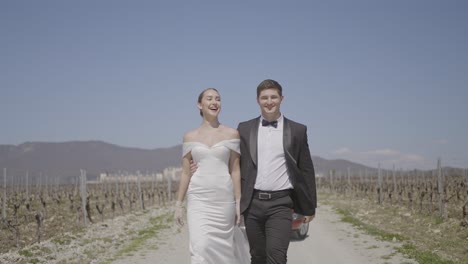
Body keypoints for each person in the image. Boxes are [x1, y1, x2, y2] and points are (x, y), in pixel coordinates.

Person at [237, 79, 317, 264]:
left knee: (277, 257)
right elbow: (234, 163)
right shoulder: (244, 128)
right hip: (252, 204)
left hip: (281, 204)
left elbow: (306, 169)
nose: (269, 101)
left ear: (281, 98)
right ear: (257, 100)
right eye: (264, 97)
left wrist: (310, 205)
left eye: (273, 97)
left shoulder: (298, 130)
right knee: (257, 256)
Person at [174, 88, 250, 264]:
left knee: (224, 251)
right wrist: (178, 204)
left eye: (218, 99)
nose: (214, 102)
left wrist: (239, 202)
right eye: (209, 99)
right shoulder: (189, 136)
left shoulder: (231, 134)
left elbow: (235, 169)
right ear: (200, 104)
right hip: (198, 199)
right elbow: (186, 172)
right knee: (201, 248)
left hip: (224, 200)